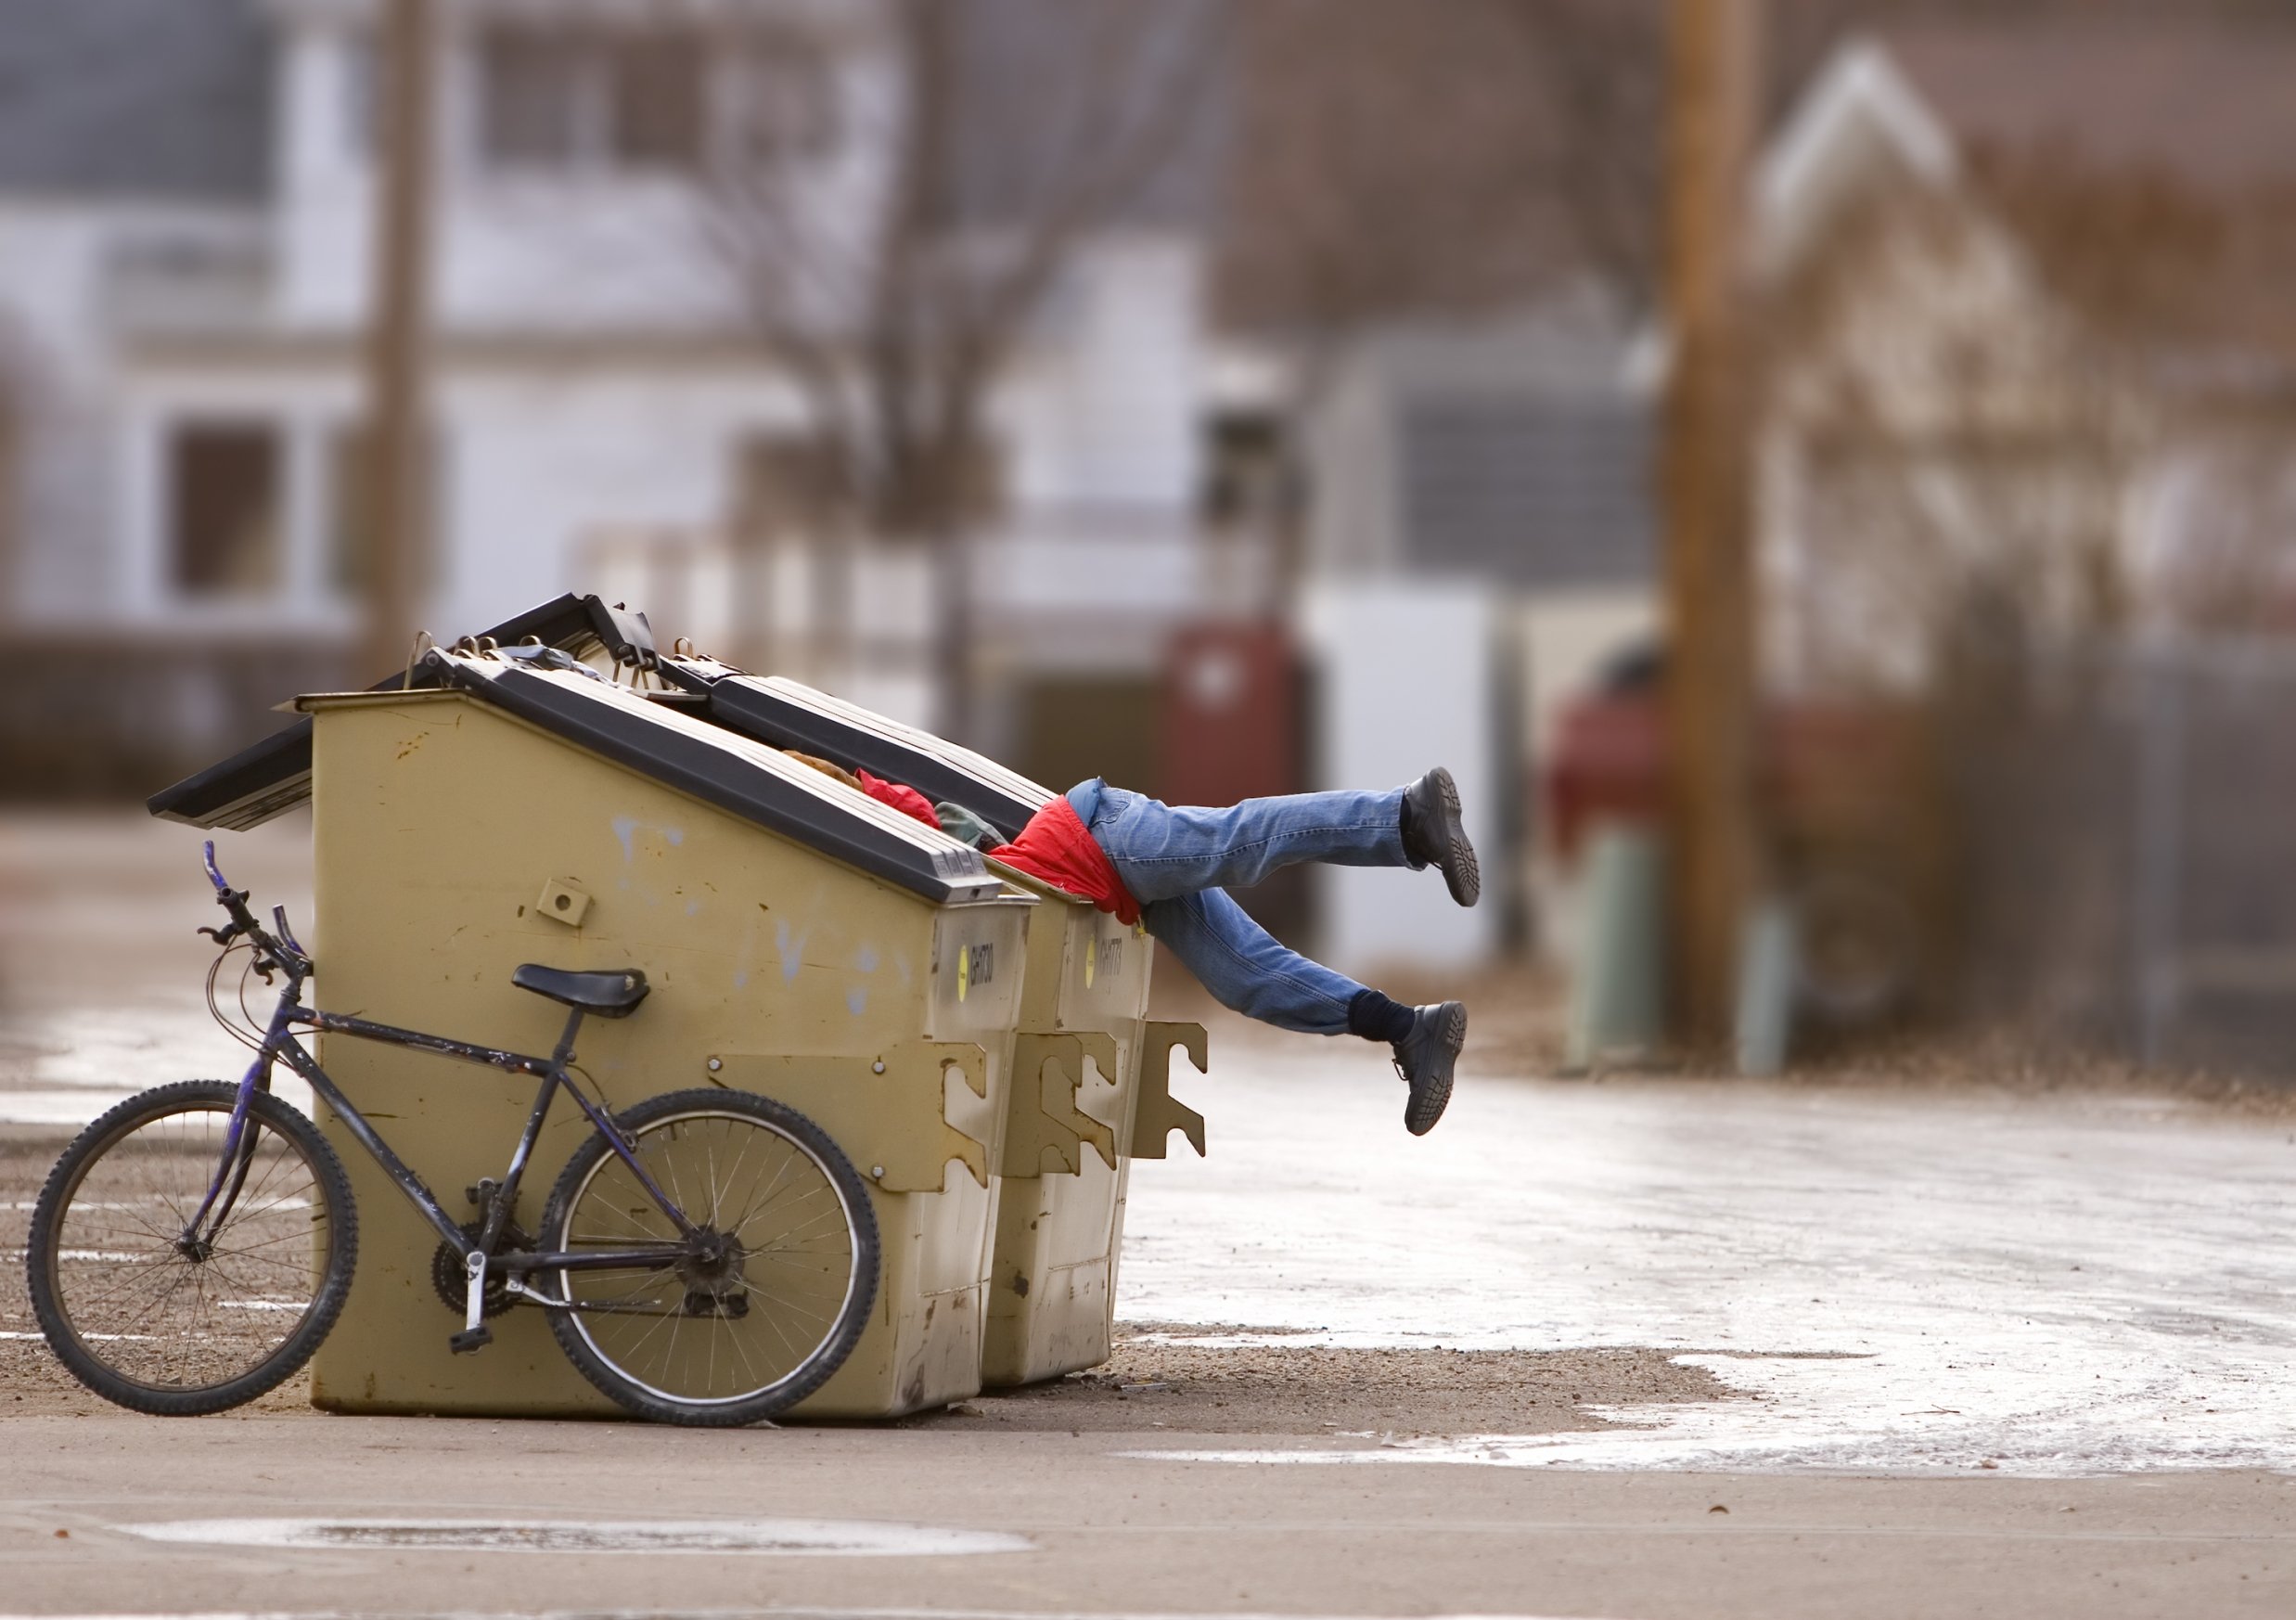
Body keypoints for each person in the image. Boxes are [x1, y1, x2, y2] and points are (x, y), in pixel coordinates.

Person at [813, 756, 1478, 1136]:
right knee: (1243, 976)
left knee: (1241, 841)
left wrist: (849, 798)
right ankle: (1409, 1030)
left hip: (1098, 835)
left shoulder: (867, 806)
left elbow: (915, 810)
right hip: (1112, 882)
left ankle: (1403, 817)